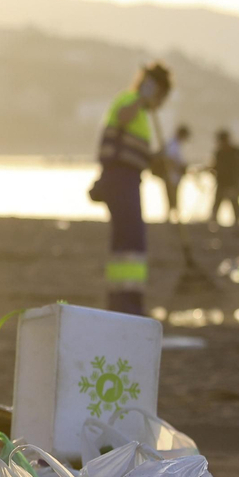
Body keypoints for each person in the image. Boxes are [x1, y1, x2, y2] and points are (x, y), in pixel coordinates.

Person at [89, 61, 172, 315]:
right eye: (160, 97)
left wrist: (160, 162)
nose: (161, 103)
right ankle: (125, 302)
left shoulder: (144, 118)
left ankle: (125, 299)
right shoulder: (128, 102)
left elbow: (138, 154)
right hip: (118, 179)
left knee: (130, 239)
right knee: (130, 239)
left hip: (130, 179)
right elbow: (123, 117)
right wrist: (141, 97)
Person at [209, 128, 239, 228]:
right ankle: (214, 223)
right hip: (222, 183)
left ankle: (237, 223)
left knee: (234, 203)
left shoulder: (237, 153)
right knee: (217, 204)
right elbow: (216, 167)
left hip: (233, 183)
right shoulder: (219, 153)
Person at [153, 123, 191, 224]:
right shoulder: (173, 144)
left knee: (173, 196)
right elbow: (169, 159)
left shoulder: (174, 144)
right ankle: (171, 217)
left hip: (174, 176)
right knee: (172, 196)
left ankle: (173, 216)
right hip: (171, 176)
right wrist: (178, 167)